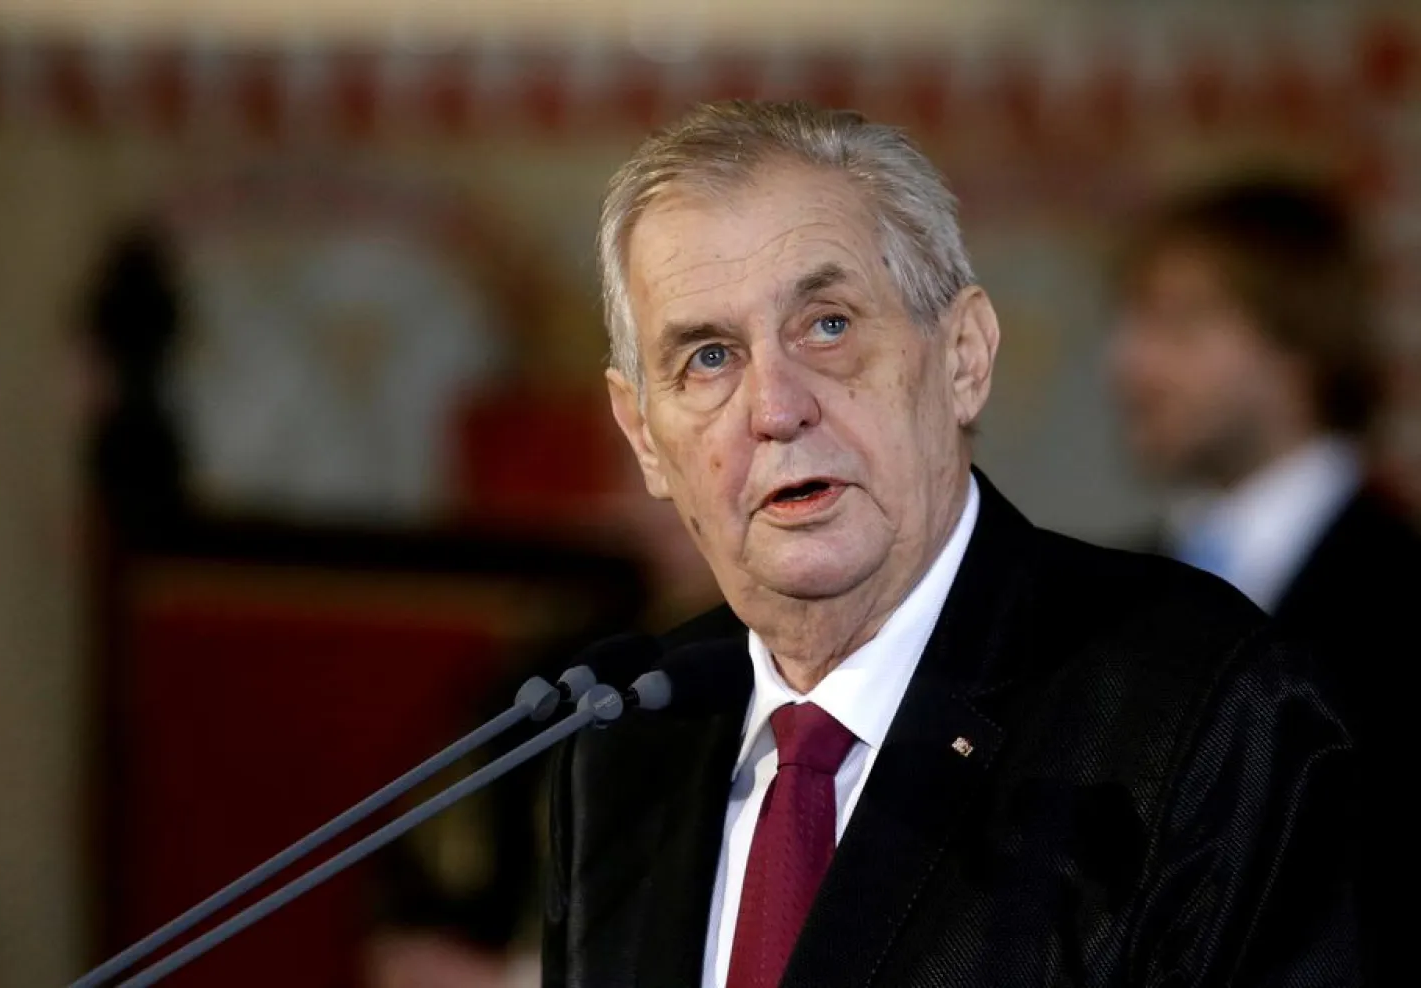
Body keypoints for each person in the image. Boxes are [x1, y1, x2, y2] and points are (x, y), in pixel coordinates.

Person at [541, 100, 1358, 988]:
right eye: (708, 357)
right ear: (644, 437)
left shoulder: (1209, 708)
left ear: (964, 356)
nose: (775, 409)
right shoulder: (627, 739)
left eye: (829, 325)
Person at [1108, 175, 1421, 979]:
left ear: (1297, 341)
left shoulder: (1401, 592)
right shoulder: (1108, 593)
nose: (1130, 362)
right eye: (1134, 321)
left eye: (1179, 323)